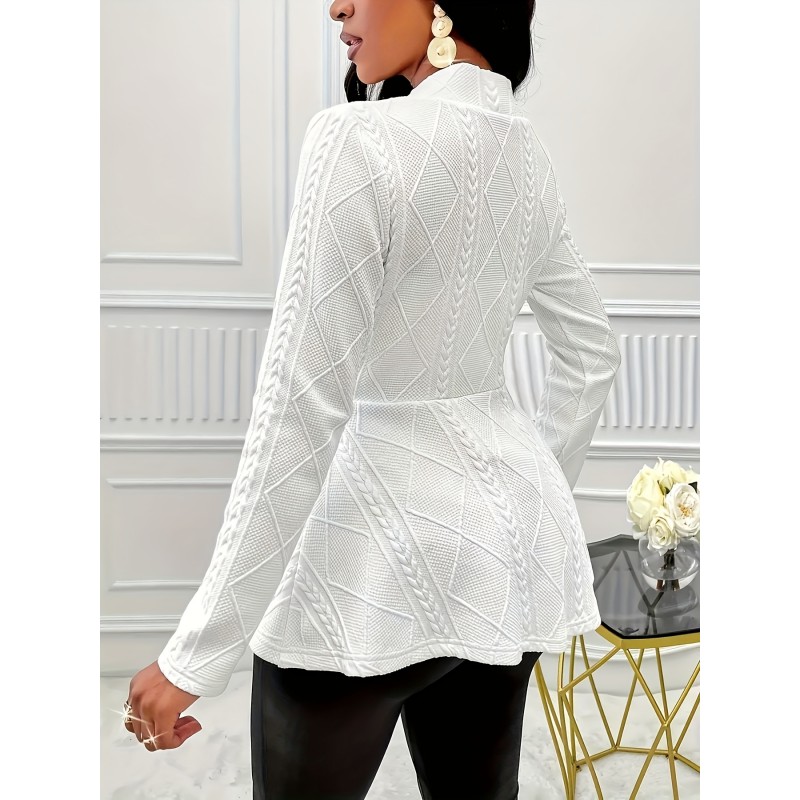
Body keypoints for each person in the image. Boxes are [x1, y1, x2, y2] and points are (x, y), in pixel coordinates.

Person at [122, 1, 622, 798]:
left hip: (364, 563)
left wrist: (196, 654)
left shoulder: (359, 140)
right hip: (503, 559)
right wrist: (522, 507)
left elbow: (302, 404)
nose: (338, 6)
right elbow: (591, 356)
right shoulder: (527, 154)